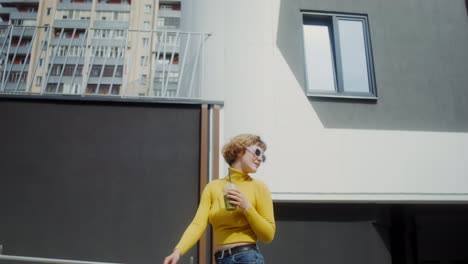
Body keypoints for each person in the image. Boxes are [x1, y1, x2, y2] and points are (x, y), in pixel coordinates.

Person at [163, 134, 275, 264]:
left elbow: (268, 235)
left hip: (247, 258)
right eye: (257, 152)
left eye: (263, 156)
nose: (260, 159)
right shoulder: (213, 187)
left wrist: (247, 207)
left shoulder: (259, 187)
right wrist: (178, 252)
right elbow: (197, 224)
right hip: (221, 259)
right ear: (239, 151)